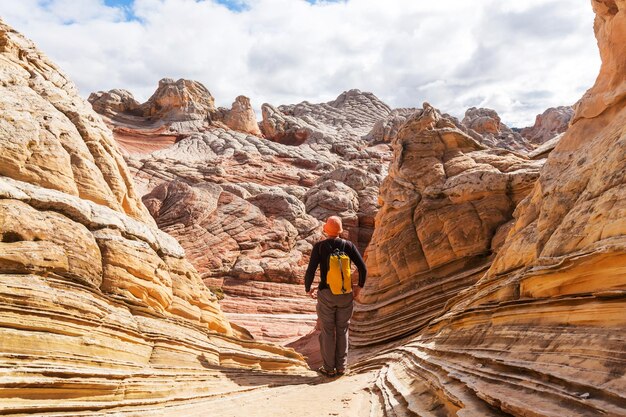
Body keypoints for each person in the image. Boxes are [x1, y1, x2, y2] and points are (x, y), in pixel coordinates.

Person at [304, 216, 367, 377]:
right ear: (340, 230)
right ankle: (341, 367)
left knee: (327, 330)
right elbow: (363, 268)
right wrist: (359, 288)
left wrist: (308, 288)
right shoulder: (348, 246)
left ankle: (328, 367)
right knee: (342, 330)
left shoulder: (319, 247)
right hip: (345, 294)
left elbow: (311, 270)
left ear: (326, 229)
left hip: (326, 294)